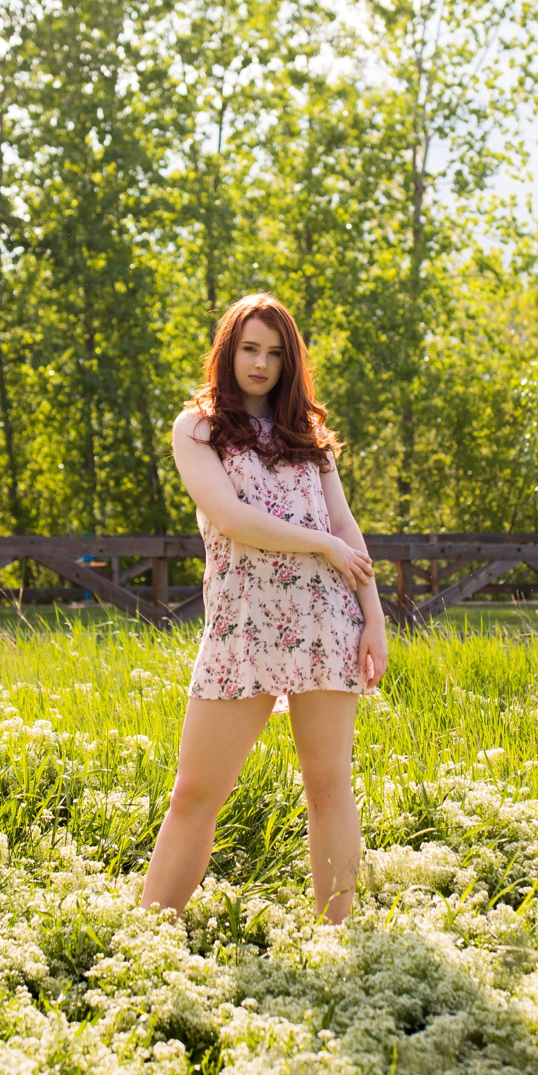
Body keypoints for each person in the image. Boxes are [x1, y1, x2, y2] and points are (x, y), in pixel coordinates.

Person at [138, 293, 389, 923]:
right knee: (195, 790)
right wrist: (321, 544)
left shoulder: (309, 437)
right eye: (250, 348)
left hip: (324, 624)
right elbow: (230, 517)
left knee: (329, 787)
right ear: (228, 351)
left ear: (289, 361)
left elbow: (346, 527)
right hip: (242, 628)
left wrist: (374, 620)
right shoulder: (196, 428)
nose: (261, 363)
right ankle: (145, 938)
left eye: (275, 353)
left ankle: (339, 937)